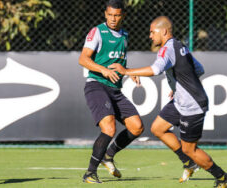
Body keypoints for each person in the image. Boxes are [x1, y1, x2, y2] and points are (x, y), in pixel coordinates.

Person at [109, 16, 227, 187]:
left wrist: (126, 71)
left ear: (164, 31)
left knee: (189, 149)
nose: (150, 36)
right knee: (158, 128)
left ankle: (222, 177)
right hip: (180, 100)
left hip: (192, 105)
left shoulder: (167, 49)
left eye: (153, 32)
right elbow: (199, 69)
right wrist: (178, 85)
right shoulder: (180, 45)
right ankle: (189, 163)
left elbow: (155, 69)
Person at [78, 0, 144, 184]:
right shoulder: (97, 32)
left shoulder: (124, 35)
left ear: (123, 15)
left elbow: (118, 63)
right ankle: (90, 173)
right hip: (96, 85)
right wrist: (103, 70)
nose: (113, 19)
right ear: (105, 14)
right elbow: (83, 59)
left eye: (117, 15)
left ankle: (109, 155)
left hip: (115, 90)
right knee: (108, 128)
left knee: (137, 127)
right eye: (110, 15)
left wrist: (129, 72)